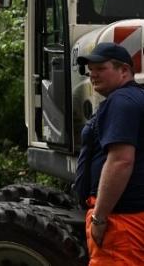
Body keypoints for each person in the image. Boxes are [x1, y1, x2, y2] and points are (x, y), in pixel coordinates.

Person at [75, 41, 144, 265]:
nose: (92, 74)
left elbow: (120, 161)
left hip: (120, 220)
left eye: (101, 68)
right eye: (90, 70)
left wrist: (100, 218)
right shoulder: (134, 98)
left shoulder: (121, 102)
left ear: (124, 70)